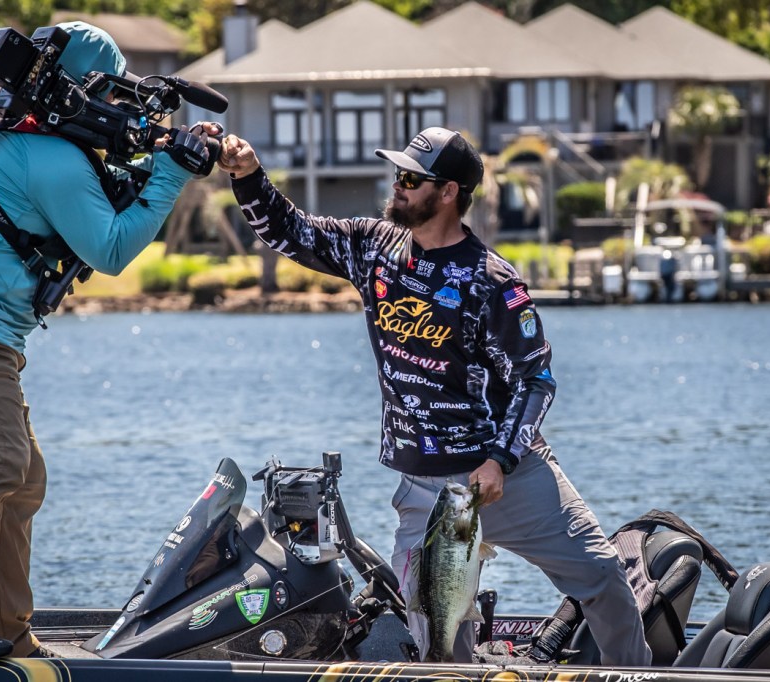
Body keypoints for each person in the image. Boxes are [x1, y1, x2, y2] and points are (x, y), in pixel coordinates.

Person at [217, 127, 651, 666]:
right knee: (440, 636)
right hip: (425, 487)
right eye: (398, 175)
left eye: (411, 179)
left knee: (603, 576)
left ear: (448, 192)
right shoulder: (373, 247)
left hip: (507, 477)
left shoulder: (492, 282)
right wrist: (248, 174)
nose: (397, 186)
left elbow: (536, 379)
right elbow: (290, 231)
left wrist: (500, 460)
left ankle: (639, 678)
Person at [0, 21, 221, 660]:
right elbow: (111, 248)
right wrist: (170, 174)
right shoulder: (50, 157)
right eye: (109, 93)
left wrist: (164, 153)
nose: (116, 109)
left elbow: (96, 189)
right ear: (72, 90)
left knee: (21, 477)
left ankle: (4, 631)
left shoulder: (13, 135)